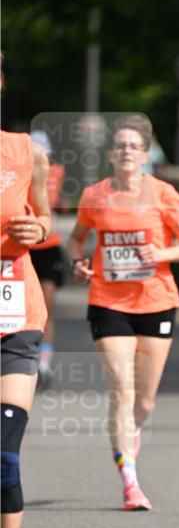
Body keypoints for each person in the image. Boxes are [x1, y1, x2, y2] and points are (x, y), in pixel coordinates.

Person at [67, 115, 179, 511]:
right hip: (108, 301)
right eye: (120, 145)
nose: (127, 151)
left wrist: (160, 253)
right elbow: (76, 242)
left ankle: (135, 429)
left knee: (145, 400)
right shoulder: (94, 195)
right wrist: (78, 264)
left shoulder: (162, 193)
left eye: (134, 146)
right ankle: (130, 481)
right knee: (121, 390)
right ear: (111, 154)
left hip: (156, 300)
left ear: (145, 154)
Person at [1, 127, 50, 528]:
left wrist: (35, 229)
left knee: (4, 459)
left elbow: (42, 218)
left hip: (14, 316)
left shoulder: (22, 150)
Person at [29, 129, 67, 387]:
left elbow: (53, 201)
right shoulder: (14, 170)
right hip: (20, 245)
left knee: (47, 306)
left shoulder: (58, 171)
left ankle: (43, 364)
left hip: (49, 245)